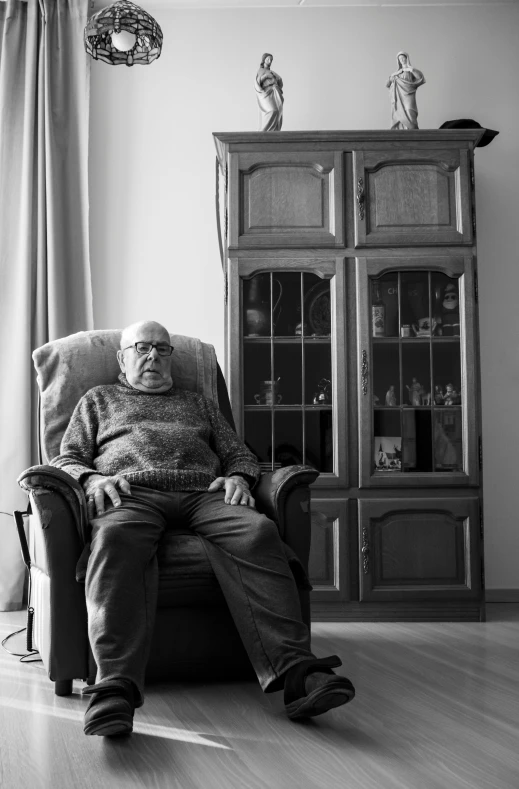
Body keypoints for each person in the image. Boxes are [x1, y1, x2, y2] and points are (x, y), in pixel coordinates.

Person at [51, 320, 355, 736]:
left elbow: (239, 454)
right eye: (141, 348)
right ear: (122, 358)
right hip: (132, 493)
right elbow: (67, 457)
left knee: (258, 532)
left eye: (162, 349)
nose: (153, 356)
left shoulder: (198, 403)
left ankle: (299, 672)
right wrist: (92, 479)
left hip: (204, 493)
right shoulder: (98, 400)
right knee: (115, 537)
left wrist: (238, 478)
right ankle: (115, 687)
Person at [386, 51, 425, 130]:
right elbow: (387, 84)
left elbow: (420, 78)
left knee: (410, 112)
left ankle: (412, 132)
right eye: (400, 59)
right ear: (398, 61)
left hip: (408, 95)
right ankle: (400, 131)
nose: (402, 60)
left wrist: (411, 69)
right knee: (398, 114)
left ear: (407, 59)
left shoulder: (411, 71)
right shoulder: (397, 73)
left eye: (403, 58)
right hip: (398, 98)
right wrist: (392, 76)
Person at [255, 53, 284, 131]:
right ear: (264, 60)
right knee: (272, 110)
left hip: (275, 92)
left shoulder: (272, 72)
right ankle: (265, 132)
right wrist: (266, 76)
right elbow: (257, 82)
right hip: (267, 93)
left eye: (271, 60)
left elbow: (280, 81)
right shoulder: (261, 70)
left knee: (277, 111)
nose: (270, 61)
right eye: (268, 59)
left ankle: (273, 132)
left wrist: (276, 83)